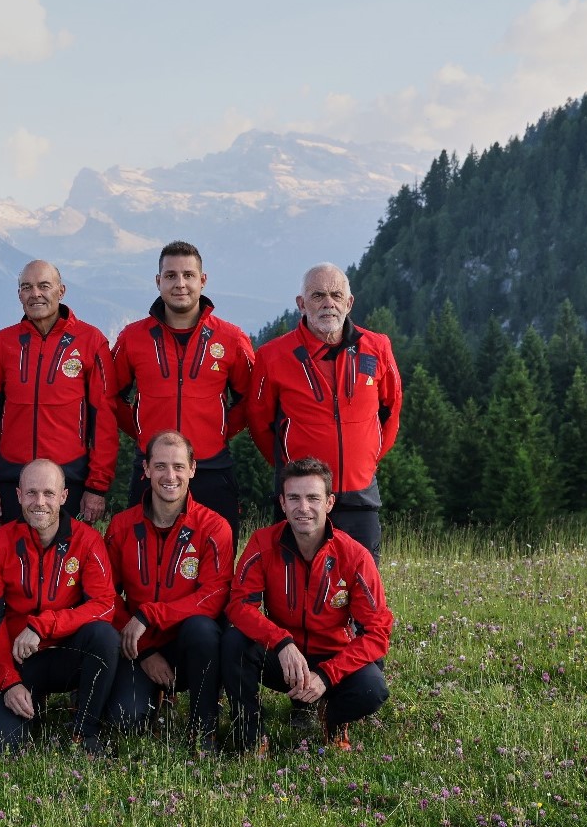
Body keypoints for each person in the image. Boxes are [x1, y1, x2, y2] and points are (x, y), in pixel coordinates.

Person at [222, 457, 393, 754]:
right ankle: (250, 733)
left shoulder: (354, 556)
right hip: (282, 656)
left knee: (372, 689)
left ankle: (333, 718)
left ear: (329, 503)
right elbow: (239, 605)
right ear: (283, 503)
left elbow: (377, 631)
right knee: (234, 641)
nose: (303, 508)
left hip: (331, 657)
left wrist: (328, 675)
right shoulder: (263, 543)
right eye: (294, 498)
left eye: (313, 498)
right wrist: (281, 641)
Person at [246, 263, 402, 561]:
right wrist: (290, 468)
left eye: (335, 295)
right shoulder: (272, 355)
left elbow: (391, 410)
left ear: (349, 302)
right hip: (300, 498)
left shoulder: (378, 347)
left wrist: (369, 459)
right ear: (301, 304)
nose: (328, 303)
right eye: (318, 295)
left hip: (359, 491)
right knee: (292, 581)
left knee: (362, 581)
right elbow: (259, 422)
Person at [111, 240, 254, 541]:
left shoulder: (231, 338)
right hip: (151, 469)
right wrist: (140, 432)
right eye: (171, 275)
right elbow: (110, 396)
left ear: (202, 280)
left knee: (217, 560)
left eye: (188, 275)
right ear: (158, 281)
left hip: (212, 467)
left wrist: (221, 429)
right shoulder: (133, 337)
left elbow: (251, 399)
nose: (180, 284)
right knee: (143, 560)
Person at [104, 431, 232, 755]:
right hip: (141, 647)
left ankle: (203, 728)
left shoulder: (214, 527)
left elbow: (213, 595)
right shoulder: (121, 527)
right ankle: (155, 698)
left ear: (192, 469)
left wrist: (151, 613)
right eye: (160, 466)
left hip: (190, 646)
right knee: (126, 720)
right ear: (145, 470)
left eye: (178, 466)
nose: (169, 476)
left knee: (203, 628)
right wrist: (145, 651)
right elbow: (104, 596)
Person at [0, 459, 120, 755]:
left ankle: (86, 732)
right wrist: (8, 681)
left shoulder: (88, 540)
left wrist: (43, 625)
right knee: (1, 746)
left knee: (104, 636)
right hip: (19, 660)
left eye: (48, 493)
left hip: (66, 654)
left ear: (64, 496)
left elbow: (105, 605)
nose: (39, 502)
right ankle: (18, 699)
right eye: (31, 493)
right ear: (18, 495)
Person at [0, 260, 117, 526]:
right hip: (13, 479)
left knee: (66, 563)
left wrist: (97, 487)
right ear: (19, 294)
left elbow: (105, 420)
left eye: (44, 286)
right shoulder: (3, 343)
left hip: (68, 479)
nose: (35, 294)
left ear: (61, 291)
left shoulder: (91, 341)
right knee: (12, 560)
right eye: (26, 287)